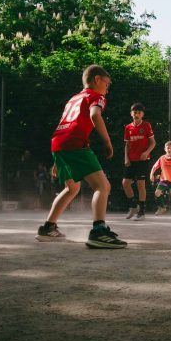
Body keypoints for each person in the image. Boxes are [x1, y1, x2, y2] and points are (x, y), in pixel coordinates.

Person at [36, 65, 127, 249]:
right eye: (106, 84)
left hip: (58, 144)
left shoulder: (73, 98)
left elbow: (66, 124)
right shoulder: (96, 96)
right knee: (103, 186)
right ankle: (99, 231)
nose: (107, 89)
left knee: (72, 188)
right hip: (75, 144)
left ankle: (48, 228)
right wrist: (108, 142)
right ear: (97, 80)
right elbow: (95, 115)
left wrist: (57, 159)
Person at [122, 102, 156, 220]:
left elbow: (153, 142)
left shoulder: (146, 125)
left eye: (139, 112)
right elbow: (127, 144)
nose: (136, 114)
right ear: (131, 113)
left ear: (142, 114)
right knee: (125, 183)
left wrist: (146, 152)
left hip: (143, 160)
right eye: (134, 112)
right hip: (131, 160)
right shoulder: (128, 127)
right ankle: (133, 206)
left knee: (140, 184)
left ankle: (142, 211)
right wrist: (126, 157)